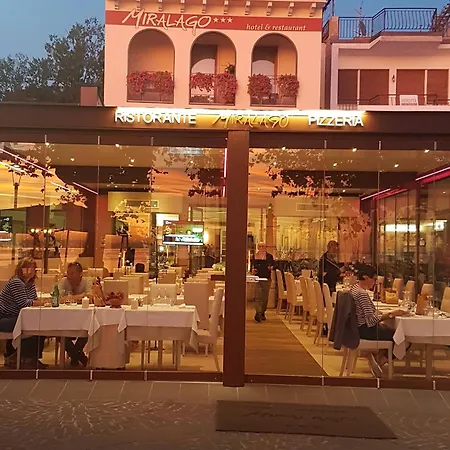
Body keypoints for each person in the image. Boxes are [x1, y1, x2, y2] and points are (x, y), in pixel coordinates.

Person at [350, 264, 406, 377]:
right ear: (365, 277)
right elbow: (371, 321)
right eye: (374, 279)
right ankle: (381, 360)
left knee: (389, 330)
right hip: (365, 330)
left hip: (357, 328)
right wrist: (391, 314)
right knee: (402, 336)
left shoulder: (354, 289)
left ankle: (377, 359)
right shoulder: (361, 294)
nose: (375, 282)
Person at [0, 258, 47, 369]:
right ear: (20, 270)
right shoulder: (16, 282)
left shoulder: (30, 284)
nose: (30, 270)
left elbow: (33, 300)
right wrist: (40, 302)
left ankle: (30, 357)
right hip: (5, 318)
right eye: (26, 268)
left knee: (41, 324)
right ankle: (18, 357)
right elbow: (23, 303)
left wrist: (37, 302)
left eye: (32, 268)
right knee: (32, 325)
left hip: (17, 316)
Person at [58, 262, 93, 367]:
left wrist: (70, 298)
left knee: (89, 328)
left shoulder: (87, 281)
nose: (70, 276)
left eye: (73, 273)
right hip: (65, 317)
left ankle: (74, 354)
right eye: (68, 273)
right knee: (58, 331)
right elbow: (58, 297)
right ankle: (78, 355)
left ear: (80, 274)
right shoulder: (63, 281)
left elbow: (90, 296)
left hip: (83, 316)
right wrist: (80, 296)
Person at [251, 242, 274, 323]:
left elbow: (273, 265)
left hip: (266, 278)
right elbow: (252, 266)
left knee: (264, 297)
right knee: (258, 296)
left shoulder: (269, 256)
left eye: (263, 246)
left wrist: (271, 268)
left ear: (265, 247)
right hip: (257, 278)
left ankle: (262, 311)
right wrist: (253, 270)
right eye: (259, 246)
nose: (261, 248)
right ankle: (258, 312)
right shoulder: (254, 256)